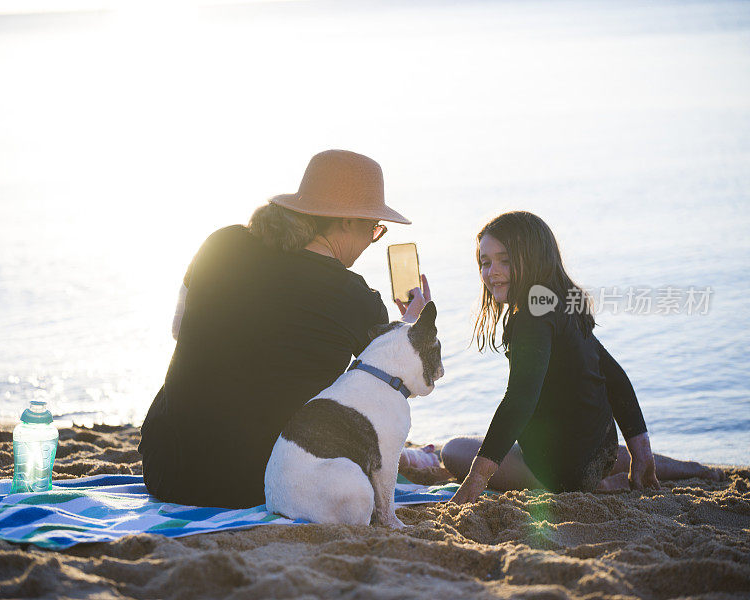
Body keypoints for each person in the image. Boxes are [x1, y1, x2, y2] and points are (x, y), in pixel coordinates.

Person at [138, 149, 431, 508]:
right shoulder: (355, 297)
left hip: (165, 470)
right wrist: (411, 325)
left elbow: (180, 328)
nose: (372, 240)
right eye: (374, 229)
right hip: (268, 485)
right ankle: (419, 460)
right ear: (346, 222)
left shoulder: (223, 243)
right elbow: (397, 386)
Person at [446, 211, 721, 504]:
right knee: (549, 441)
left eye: (505, 260)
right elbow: (614, 376)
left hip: (558, 471)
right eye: (485, 262)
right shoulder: (559, 303)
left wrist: (474, 483)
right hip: (599, 451)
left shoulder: (530, 315)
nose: (492, 272)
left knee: (453, 449)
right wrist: (641, 452)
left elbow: (519, 400)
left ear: (535, 256)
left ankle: (590, 485)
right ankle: (688, 469)